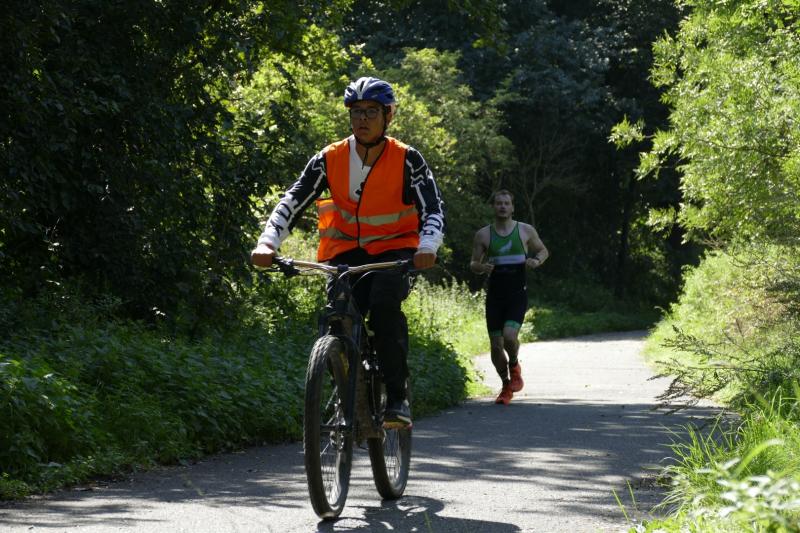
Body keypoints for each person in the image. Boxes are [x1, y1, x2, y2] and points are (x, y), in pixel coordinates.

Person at [251, 77, 445, 428]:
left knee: (384, 308)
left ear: (388, 116)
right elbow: (293, 200)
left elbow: (432, 209)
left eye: (371, 111)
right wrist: (268, 242)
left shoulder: (407, 159)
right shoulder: (329, 158)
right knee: (338, 316)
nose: (362, 119)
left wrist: (427, 246)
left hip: (395, 253)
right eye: (356, 112)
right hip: (344, 254)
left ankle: (397, 397)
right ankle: (346, 393)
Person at [470, 189, 548, 405]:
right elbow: (473, 263)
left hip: (516, 294)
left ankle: (514, 365)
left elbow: (543, 251)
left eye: (506, 203)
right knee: (496, 345)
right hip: (495, 297)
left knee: (509, 336)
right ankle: (506, 385)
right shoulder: (483, 235)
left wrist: (536, 261)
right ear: (493, 207)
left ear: (512, 207)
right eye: (499, 203)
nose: (502, 206)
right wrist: (482, 267)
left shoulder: (525, 230)